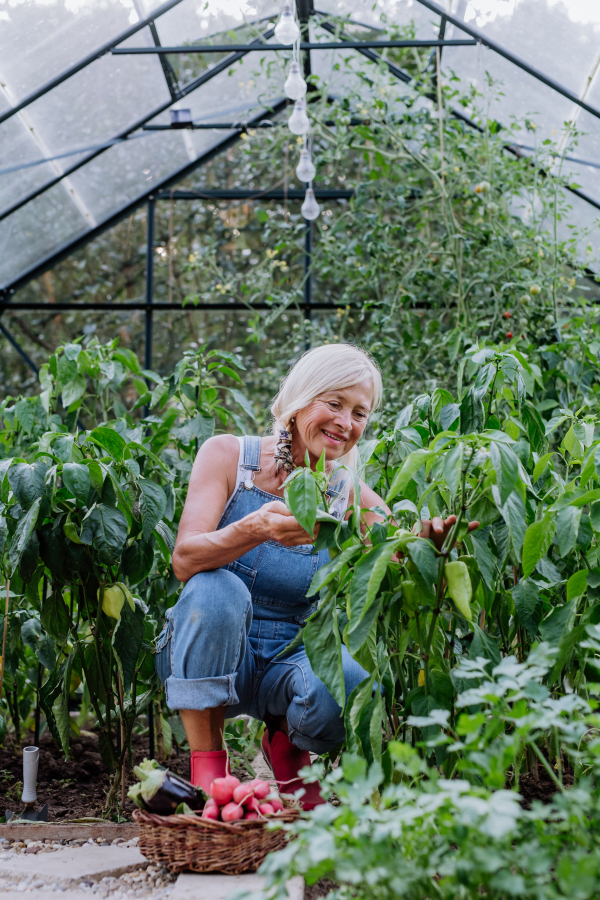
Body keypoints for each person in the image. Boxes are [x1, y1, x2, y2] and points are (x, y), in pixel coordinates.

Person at [155, 343, 476, 808]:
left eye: (360, 412)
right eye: (334, 403)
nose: (346, 423)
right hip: (209, 649)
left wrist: (430, 547)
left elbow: (401, 558)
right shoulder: (228, 456)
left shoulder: (350, 496)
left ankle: (287, 749)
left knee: (354, 684)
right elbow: (184, 559)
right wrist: (255, 526)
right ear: (301, 398)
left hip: (290, 659)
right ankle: (208, 766)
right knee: (215, 588)